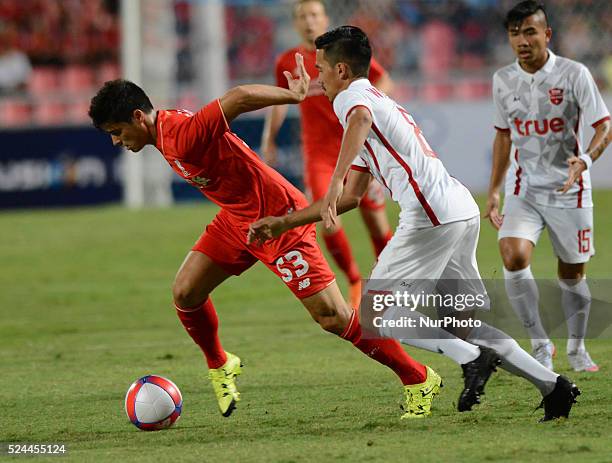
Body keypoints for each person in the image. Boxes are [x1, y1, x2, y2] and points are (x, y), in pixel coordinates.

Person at [88, 56, 457, 420]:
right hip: (237, 219)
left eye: (117, 132)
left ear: (139, 117)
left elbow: (237, 96)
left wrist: (292, 96)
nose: (117, 141)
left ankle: (418, 377)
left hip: (278, 218)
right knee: (186, 292)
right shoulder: (165, 132)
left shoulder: (182, 136)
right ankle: (221, 364)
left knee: (333, 317)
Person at [248, 26, 580, 421]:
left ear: (341, 69)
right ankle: (554, 387)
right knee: (463, 323)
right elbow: (350, 197)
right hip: (457, 209)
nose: (317, 78)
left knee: (377, 313)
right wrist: (283, 223)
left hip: (430, 216)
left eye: (320, 68)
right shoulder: (374, 107)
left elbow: (358, 121)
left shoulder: (353, 99)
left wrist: (333, 176)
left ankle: (471, 359)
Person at [484, 1, 611, 371]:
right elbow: (503, 137)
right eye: (514, 34)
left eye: (529, 32)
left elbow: (604, 125)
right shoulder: (502, 80)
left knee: (571, 274)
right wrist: (494, 190)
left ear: (546, 34)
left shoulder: (575, 74)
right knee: (513, 255)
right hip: (524, 187)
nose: (522, 41)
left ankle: (577, 348)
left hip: (570, 189)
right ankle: (541, 345)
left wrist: (585, 160)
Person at [261, 0, 393, 307]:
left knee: (375, 221)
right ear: (295, 24)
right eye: (303, 16)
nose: (309, 21)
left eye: (314, 15)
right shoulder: (286, 62)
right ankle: (355, 280)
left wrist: (375, 105)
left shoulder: (342, 53)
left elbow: (382, 78)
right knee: (328, 216)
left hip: (359, 150)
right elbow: (281, 99)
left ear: (325, 19)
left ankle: (388, 284)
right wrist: (269, 138)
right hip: (319, 155)